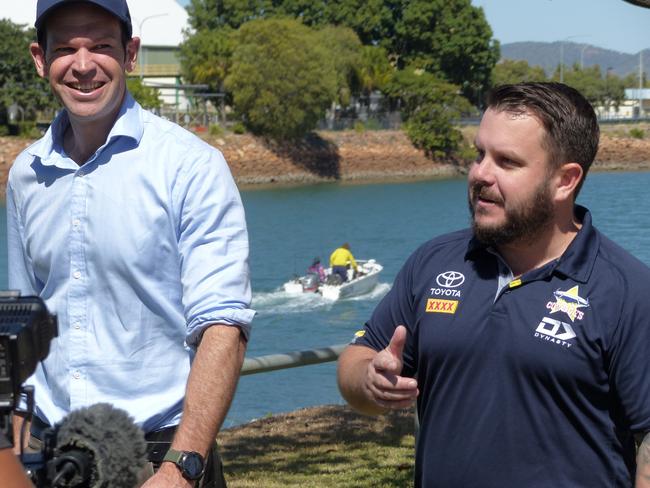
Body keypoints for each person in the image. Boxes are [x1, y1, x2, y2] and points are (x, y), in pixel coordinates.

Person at [337, 82, 650, 487]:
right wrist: (369, 381)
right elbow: (357, 358)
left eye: (507, 162)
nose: (480, 174)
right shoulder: (434, 262)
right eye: (479, 154)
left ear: (565, 180)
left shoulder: (628, 291)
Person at [7, 1, 254, 487]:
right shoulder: (25, 175)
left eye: (101, 46)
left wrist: (180, 470)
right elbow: (23, 331)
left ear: (131, 53)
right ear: (40, 59)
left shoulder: (192, 167)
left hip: (160, 456)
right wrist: (14, 455)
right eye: (65, 49)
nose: (82, 65)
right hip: (48, 454)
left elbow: (223, 326)